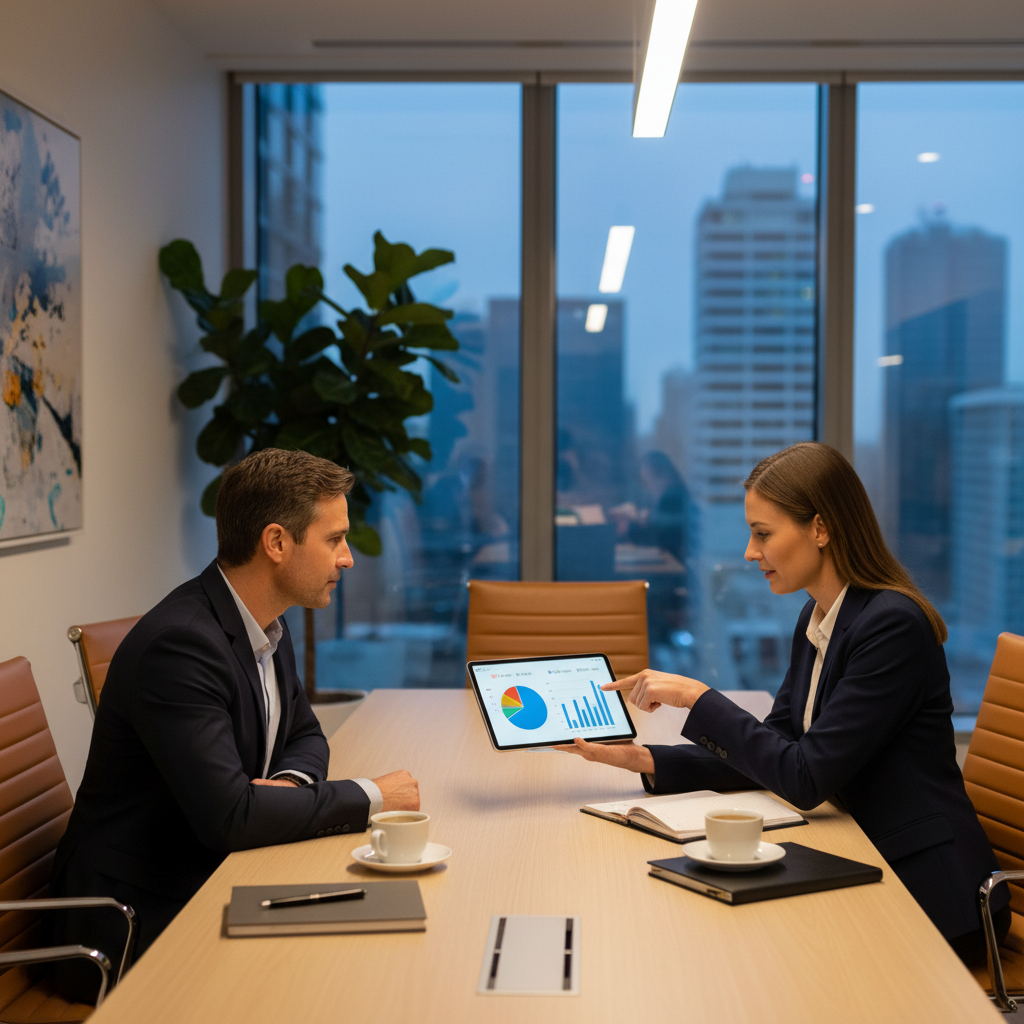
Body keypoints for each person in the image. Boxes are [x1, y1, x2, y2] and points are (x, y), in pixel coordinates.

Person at [556, 442, 1009, 965]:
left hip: (931, 893)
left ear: (820, 528)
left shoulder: (891, 626)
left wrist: (697, 697)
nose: (750, 552)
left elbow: (802, 778)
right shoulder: (819, 617)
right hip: (859, 852)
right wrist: (646, 760)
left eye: (763, 534)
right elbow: (778, 750)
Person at [50, 448, 420, 997]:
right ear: (276, 542)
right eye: (334, 539)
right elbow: (230, 817)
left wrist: (289, 788)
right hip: (134, 917)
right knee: (349, 975)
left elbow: (304, 734)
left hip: (210, 873)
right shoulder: (181, 645)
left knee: (385, 932)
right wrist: (373, 796)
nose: (347, 559)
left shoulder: (265, 620)